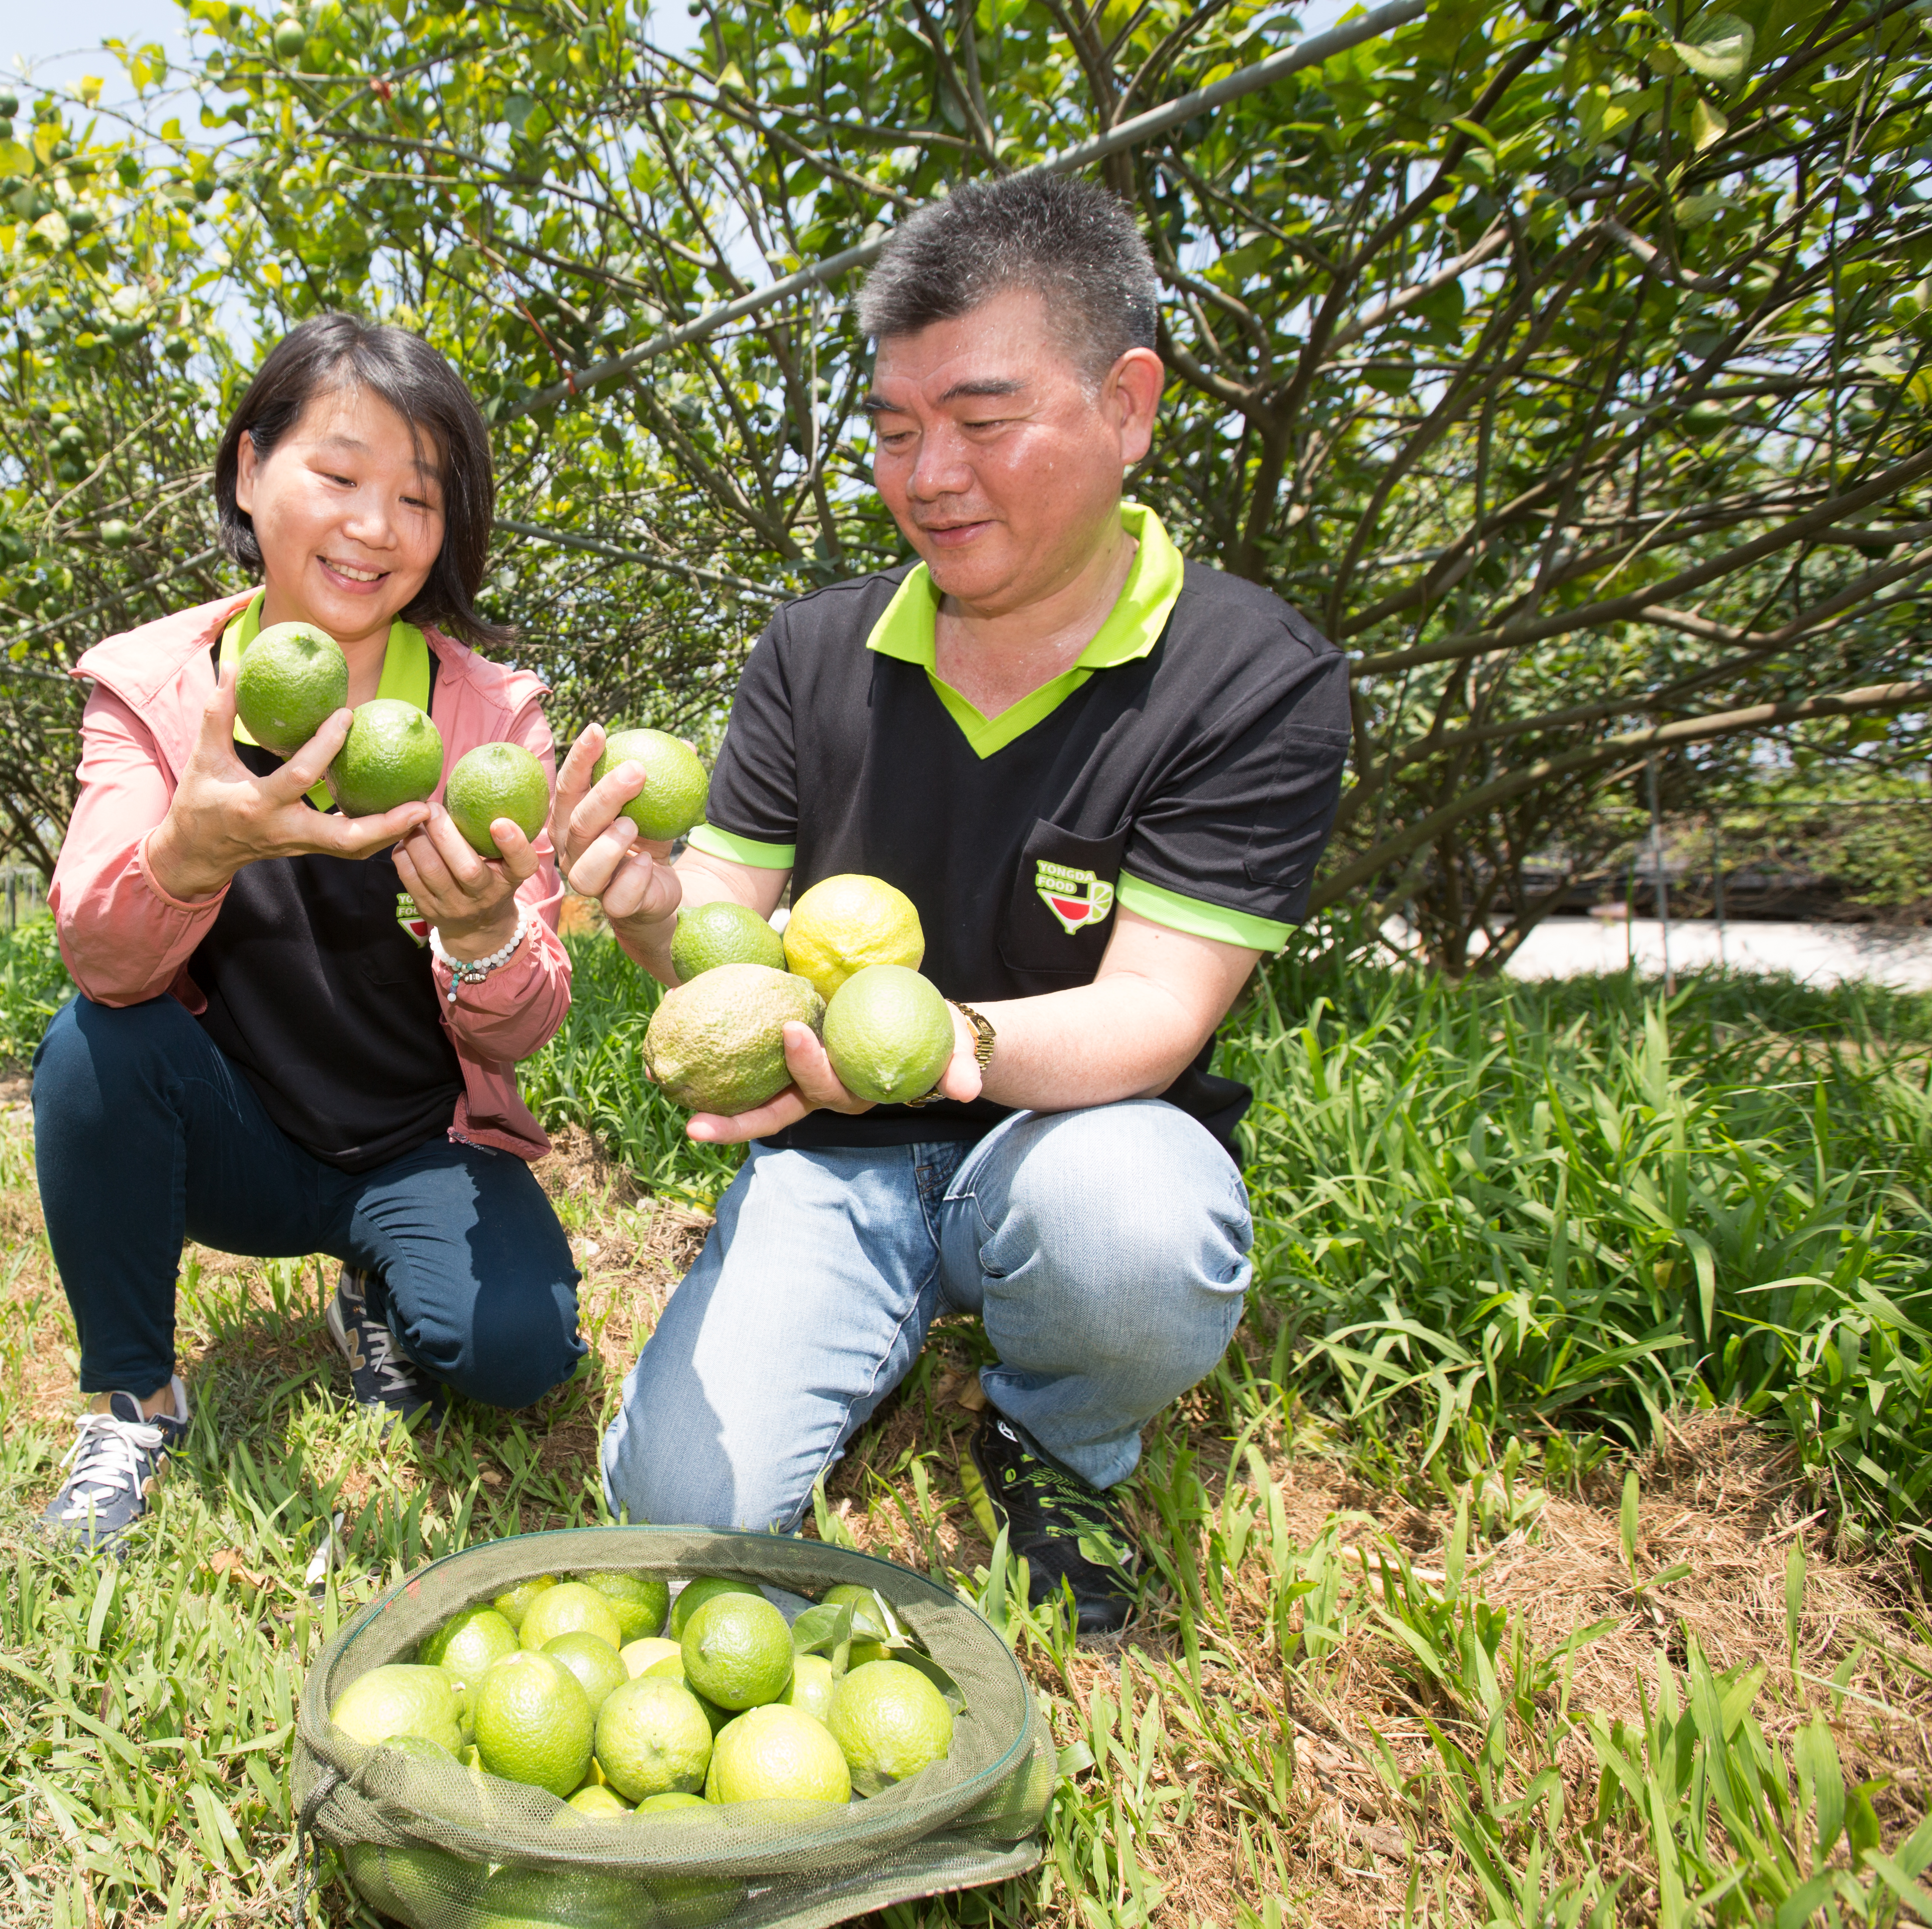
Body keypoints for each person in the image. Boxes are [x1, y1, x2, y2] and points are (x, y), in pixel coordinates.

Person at [558, 176, 1350, 1632]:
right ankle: (851, 1333)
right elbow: (717, 939)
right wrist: (640, 904)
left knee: (1138, 1228)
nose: (930, 476)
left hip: (1075, 1137)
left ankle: (1055, 1436)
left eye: (984, 424)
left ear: (1128, 406)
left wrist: (934, 1042)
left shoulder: (1251, 675)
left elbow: (1156, 1016)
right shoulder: (815, 652)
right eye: (897, 430)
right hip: (835, 1157)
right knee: (684, 1512)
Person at [31, 314, 582, 1548]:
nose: (376, 527)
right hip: (243, 1142)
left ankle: (379, 1284)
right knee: (94, 1047)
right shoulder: (162, 690)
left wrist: (488, 928)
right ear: (249, 471)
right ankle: (133, 1394)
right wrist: (194, 848)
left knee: (516, 1357)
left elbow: (535, 1012)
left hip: (421, 1144)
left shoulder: (490, 718)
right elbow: (102, 956)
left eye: (418, 499)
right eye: (338, 477)